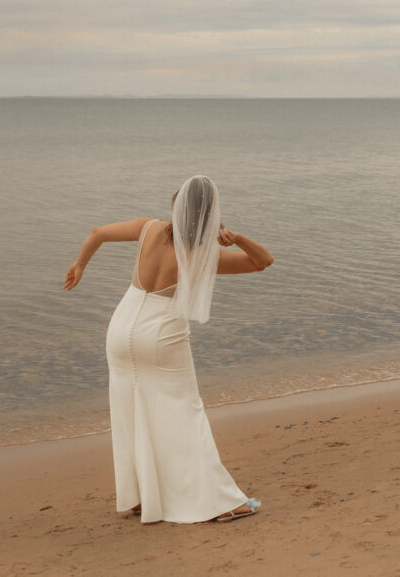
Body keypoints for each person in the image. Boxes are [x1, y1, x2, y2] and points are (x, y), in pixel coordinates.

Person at [64, 175, 274, 523]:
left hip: (120, 329)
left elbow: (97, 232)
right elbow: (262, 261)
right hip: (161, 336)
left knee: (131, 408)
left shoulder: (148, 229)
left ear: (175, 207)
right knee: (184, 413)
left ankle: (139, 497)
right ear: (210, 217)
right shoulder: (203, 257)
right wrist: (236, 238)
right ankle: (223, 503)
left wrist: (80, 265)